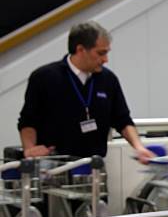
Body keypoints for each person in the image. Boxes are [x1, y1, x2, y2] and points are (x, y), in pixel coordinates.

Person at [17, 21, 155, 163]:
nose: (105, 59)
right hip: (54, 167)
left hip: (94, 168)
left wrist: (139, 147)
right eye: (101, 53)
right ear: (81, 49)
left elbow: (123, 120)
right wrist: (30, 149)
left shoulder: (108, 79)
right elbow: (28, 121)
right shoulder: (44, 78)